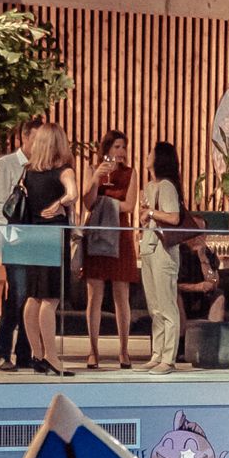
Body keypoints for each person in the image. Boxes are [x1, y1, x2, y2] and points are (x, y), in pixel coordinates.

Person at [16, 124, 76, 375]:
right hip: (53, 235)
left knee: (33, 297)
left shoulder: (28, 172)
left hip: (33, 236)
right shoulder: (64, 171)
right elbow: (73, 194)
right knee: (49, 299)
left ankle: (36, 354)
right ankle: (52, 357)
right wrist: (59, 204)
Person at [80, 131, 136, 369]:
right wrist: (95, 179)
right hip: (97, 235)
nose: (121, 152)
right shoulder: (92, 169)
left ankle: (124, 350)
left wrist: (107, 203)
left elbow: (129, 205)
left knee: (121, 295)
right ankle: (93, 350)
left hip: (120, 235)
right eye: (116, 147)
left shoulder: (130, 173)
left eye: (123, 147)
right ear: (106, 149)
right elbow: (87, 202)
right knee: (94, 295)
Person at [0, 120, 37, 372]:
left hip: (36, 242)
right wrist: (11, 235)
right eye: (37, 140)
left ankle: (25, 353)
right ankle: (1, 352)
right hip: (15, 241)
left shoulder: (41, 167)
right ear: (25, 138)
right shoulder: (6, 164)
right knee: (15, 297)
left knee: (31, 298)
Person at [140, 139, 187, 371]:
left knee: (166, 304)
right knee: (154, 306)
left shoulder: (166, 186)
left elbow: (174, 217)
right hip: (148, 246)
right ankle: (157, 353)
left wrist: (149, 212)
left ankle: (169, 357)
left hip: (162, 249)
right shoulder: (150, 186)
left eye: (151, 152)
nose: (147, 155)